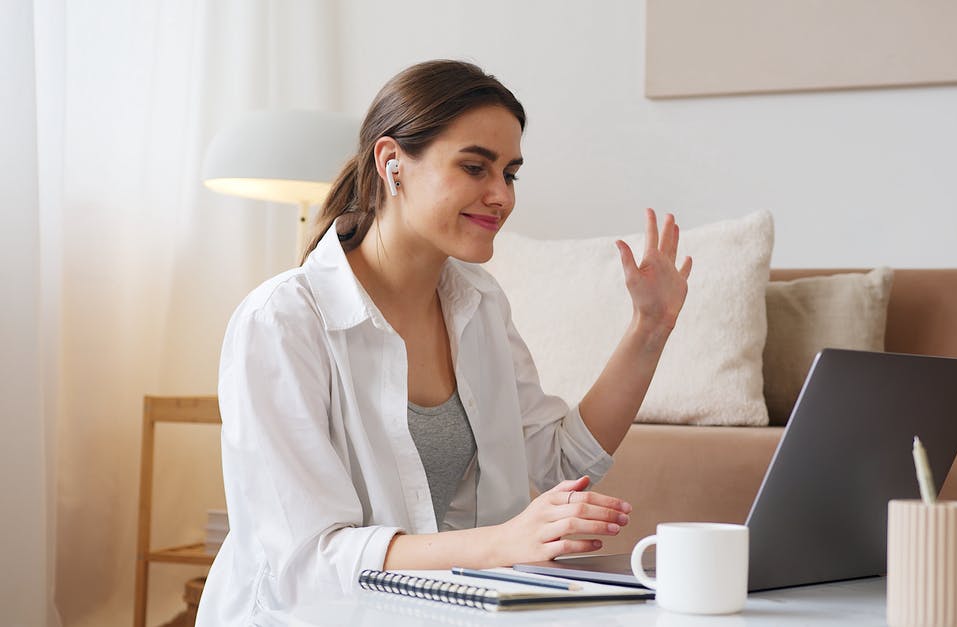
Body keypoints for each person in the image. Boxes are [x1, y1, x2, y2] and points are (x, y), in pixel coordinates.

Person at [196, 60, 692, 624]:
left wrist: (649, 329)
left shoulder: (479, 304)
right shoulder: (282, 322)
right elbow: (309, 561)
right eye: (475, 167)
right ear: (392, 164)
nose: (500, 196)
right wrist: (503, 544)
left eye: (510, 174)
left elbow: (558, 460)